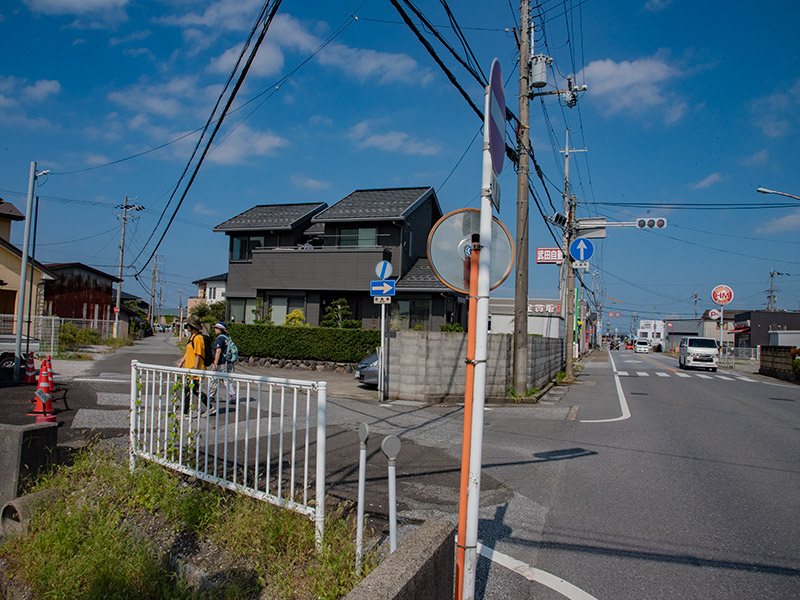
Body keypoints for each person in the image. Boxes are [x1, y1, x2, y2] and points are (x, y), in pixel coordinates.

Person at [177, 316, 208, 415]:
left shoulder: (198, 338)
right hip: (189, 369)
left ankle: (185, 413)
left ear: (192, 326)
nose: (187, 327)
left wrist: (195, 368)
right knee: (191, 390)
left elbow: (198, 354)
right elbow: (188, 352)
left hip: (195, 369)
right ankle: (186, 412)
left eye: (188, 325)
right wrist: (181, 362)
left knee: (192, 390)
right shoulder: (192, 337)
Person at [208, 321, 236, 405]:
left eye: (217, 328)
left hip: (221, 363)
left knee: (215, 379)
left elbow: (218, 351)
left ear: (221, 329)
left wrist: (215, 363)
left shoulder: (219, 339)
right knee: (225, 379)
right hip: (228, 362)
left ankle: (211, 396)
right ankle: (232, 395)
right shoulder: (227, 338)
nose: (215, 330)